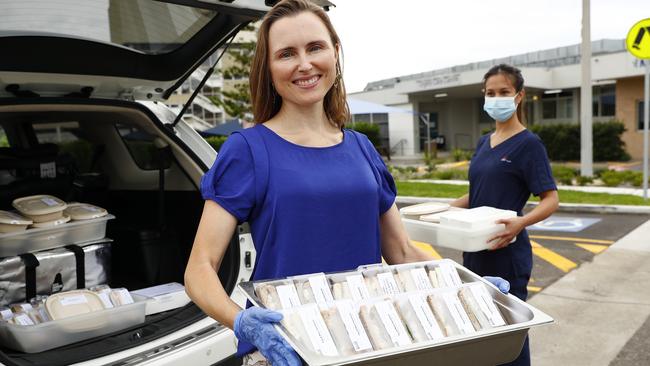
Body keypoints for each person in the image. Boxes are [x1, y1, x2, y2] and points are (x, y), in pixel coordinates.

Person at [185, 1, 509, 365]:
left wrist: (468, 285)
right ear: (269, 68)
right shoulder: (247, 150)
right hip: (287, 348)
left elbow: (401, 253)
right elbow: (199, 269)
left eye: (315, 47)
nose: (304, 64)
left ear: (335, 53)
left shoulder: (362, 148)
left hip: (370, 341)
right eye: (287, 53)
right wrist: (241, 321)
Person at [450, 64, 559, 366]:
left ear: (519, 96)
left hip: (506, 253)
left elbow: (551, 199)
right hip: (475, 251)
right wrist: (444, 209)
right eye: (490, 93)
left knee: (509, 336)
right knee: (480, 329)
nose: (496, 98)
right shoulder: (485, 142)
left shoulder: (529, 145)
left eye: (504, 92)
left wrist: (520, 223)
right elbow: (479, 192)